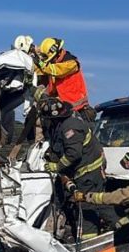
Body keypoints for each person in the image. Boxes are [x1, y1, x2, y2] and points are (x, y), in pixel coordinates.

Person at [38, 97, 114, 238]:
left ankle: (88, 244)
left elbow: (73, 154)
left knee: (85, 206)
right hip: (82, 172)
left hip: (89, 173)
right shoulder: (59, 125)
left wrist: (57, 166)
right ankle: (121, 225)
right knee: (96, 203)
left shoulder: (70, 127)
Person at [34, 37, 95, 122]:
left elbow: (56, 70)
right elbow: (40, 71)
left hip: (78, 110)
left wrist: (40, 63)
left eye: (51, 59)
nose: (50, 61)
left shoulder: (71, 63)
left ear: (58, 53)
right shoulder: (53, 65)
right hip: (62, 110)